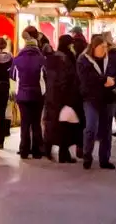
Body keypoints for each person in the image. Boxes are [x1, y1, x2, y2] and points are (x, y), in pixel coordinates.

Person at [77, 35, 116, 170]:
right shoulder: (83, 60)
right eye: (101, 47)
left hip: (108, 99)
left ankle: (104, 159)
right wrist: (104, 80)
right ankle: (87, 155)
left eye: (106, 47)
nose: (104, 50)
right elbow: (86, 78)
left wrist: (114, 81)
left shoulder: (112, 59)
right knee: (91, 128)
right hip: (91, 99)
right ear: (94, 47)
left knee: (106, 130)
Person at [43, 34, 82, 163]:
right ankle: (63, 154)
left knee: (51, 123)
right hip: (64, 97)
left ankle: (47, 150)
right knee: (65, 127)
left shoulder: (51, 57)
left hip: (50, 96)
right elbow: (71, 79)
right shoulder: (67, 58)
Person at [12, 29, 48, 159]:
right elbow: (46, 76)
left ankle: (24, 150)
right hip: (38, 95)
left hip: (22, 95)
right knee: (36, 122)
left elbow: (13, 76)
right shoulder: (42, 59)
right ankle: (37, 150)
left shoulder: (17, 59)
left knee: (25, 123)